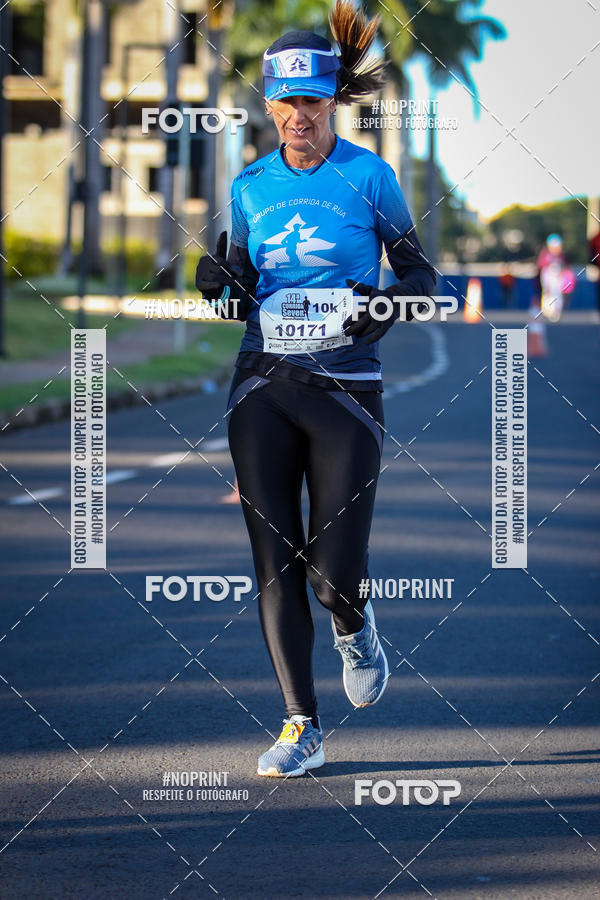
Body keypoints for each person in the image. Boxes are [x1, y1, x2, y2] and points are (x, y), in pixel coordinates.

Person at [195, 0, 436, 777]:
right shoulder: (251, 184)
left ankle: (354, 623)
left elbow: (421, 275)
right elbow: (239, 277)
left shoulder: (370, 177)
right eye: (287, 102)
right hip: (261, 383)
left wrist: (384, 308)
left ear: (331, 101)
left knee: (333, 576)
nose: (299, 115)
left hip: (346, 391)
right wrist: (218, 279)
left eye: (312, 101)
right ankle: (303, 724)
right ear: (268, 103)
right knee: (274, 558)